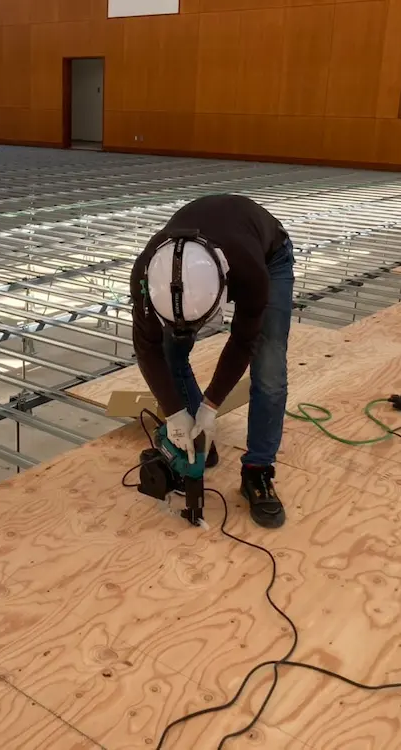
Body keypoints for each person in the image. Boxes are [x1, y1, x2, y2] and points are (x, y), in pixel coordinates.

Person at [129, 194, 295, 529]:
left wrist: (210, 406)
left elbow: (243, 341)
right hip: (218, 241)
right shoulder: (147, 275)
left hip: (269, 254)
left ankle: (258, 471)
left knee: (269, 367)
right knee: (171, 349)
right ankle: (198, 444)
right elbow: (148, 349)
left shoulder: (250, 272)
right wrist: (175, 415)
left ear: (222, 292)